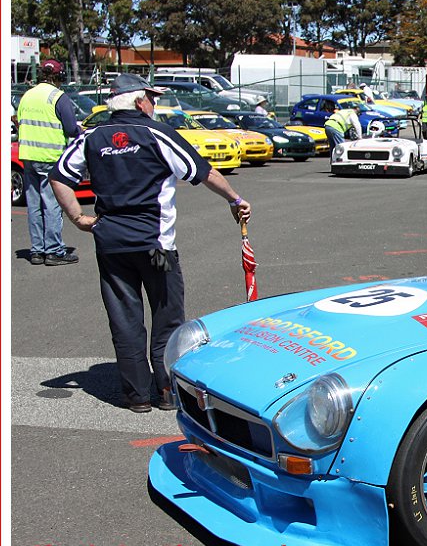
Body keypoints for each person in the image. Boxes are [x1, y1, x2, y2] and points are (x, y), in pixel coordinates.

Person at [49, 73, 252, 413]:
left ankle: (137, 396)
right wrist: (235, 199)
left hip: (112, 244)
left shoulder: (92, 137)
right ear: (139, 101)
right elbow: (202, 172)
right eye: (152, 98)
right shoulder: (157, 133)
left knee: (124, 320)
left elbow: (58, 177)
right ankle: (167, 390)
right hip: (156, 245)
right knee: (167, 317)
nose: (154, 104)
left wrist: (78, 218)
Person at [16, 58, 80, 266]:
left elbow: (19, 121)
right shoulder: (58, 97)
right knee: (51, 205)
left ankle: (37, 250)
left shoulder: (27, 96)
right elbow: (71, 128)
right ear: (59, 76)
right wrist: (81, 132)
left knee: (34, 205)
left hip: (28, 155)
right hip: (50, 157)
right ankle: (53, 250)